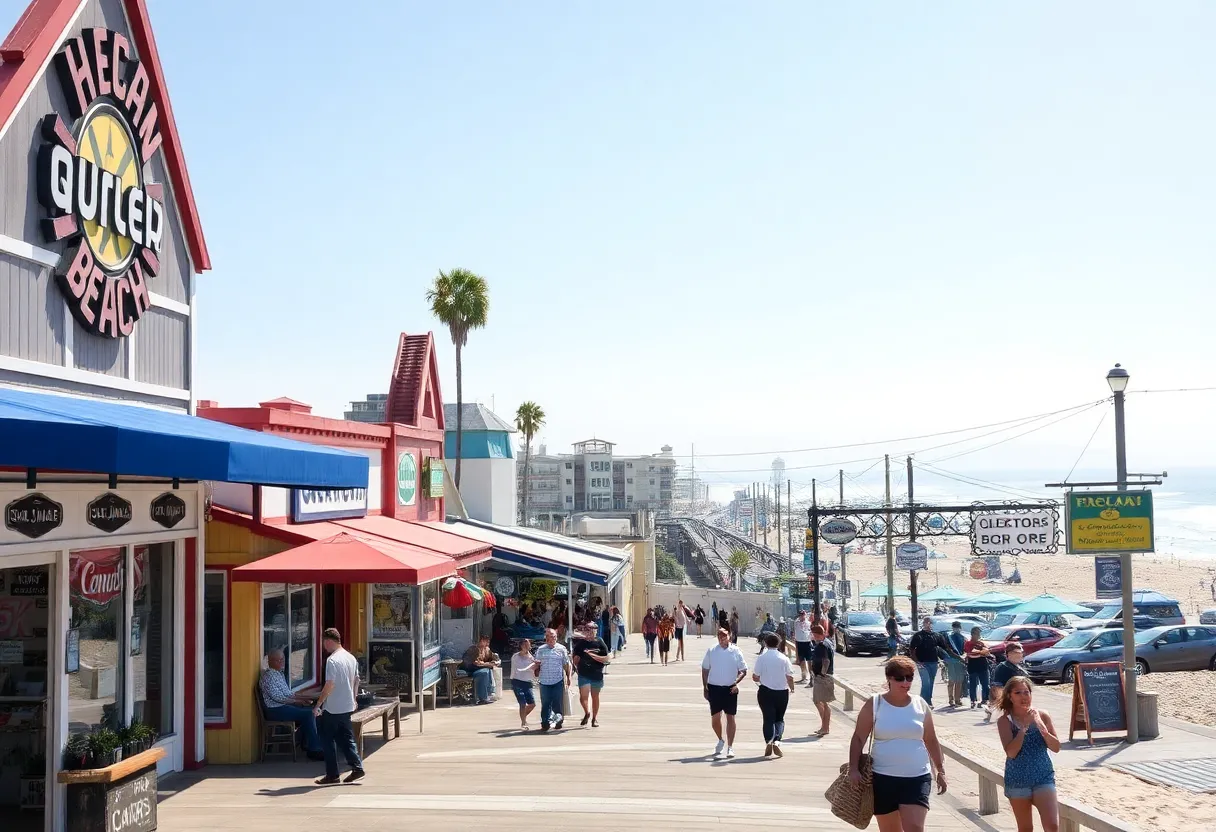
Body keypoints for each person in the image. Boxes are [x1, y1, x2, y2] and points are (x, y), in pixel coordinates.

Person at [849, 656, 948, 831]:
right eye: (900, 678)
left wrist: (941, 770)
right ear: (889, 678)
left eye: (909, 677)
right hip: (882, 777)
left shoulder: (920, 704)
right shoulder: (875, 703)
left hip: (917, 776)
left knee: (915, 827)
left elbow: (931, 739)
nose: (905, 682)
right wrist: (853, 769)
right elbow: (858, 738)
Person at [997, 677, 1060, 832]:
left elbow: (1056, 747)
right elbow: (1011, 752)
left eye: (1027, 692)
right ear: (1010, 696)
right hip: (1018, 778)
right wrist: (1023, 729)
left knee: (1052, 826)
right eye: (1018, 692)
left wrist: (1041, 726)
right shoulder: (1005, 721)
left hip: (1043, 776)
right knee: (1025, 828)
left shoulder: (1043, 715)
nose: (1024, 696)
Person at [312, 628, 364, 785]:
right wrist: (354, 699)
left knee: (327, 740)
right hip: (347, 705)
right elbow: (356, 680)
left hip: (332, 707)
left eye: (324, 643)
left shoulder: (332, 660)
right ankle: (356, 767)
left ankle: (332, 774)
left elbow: (330, 684)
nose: (324, 647)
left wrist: (318, 704)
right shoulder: (350, 658)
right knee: (347, 738)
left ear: (328, 641)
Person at [259, 648, 323, 760]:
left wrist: (305, 699)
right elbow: (278, 697)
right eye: (279, 660)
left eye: (283, 659)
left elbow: (288, 694)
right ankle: (314, 750)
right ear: (271, 662)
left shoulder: (279, 674)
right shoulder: (268, 677)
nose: (282, 662)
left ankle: (307, 744)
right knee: (308, 714)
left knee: (312, 710)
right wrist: (297, 701)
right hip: (274, 710)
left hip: (282, 706)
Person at [701, 627, 748, 759]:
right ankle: (720, 740)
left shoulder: (736, 651)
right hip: (714, 687)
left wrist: (736, 682)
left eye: (724, 636)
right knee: (715, 718)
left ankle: (730, 747)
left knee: (730, 717)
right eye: (720, 636)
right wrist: (705, 687)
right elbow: (705, 669)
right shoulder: (712, 651)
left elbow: (743, 670)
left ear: (729, 636)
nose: (722, 638)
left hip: (730, 688)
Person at [752, 632, 795, 757]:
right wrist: (792, 688)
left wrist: (758, 678)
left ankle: (768, 741)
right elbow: (790, 676)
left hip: (765, 691)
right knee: (779, 718)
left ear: (765, 643)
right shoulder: (784, 658)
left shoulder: (761, 658)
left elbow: (756, 676)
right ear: (779, 643)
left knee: (768, 718)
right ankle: (777, 740)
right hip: (782, 692)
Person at [907, 617, 957, 708]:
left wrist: (956, 657)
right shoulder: (918, 635)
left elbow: (946, 648)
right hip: (922, 663)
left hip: (933, 663)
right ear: (924, 623)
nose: (928, 624)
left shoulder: (937, 636)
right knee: (926, 682)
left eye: (930, 622)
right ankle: (924, 702)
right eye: (926, 622)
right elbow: (911, 649)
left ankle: (927, 701)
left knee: (931, 683)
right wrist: (917, 661)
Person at [573, 622, 610, 727]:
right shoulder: (580, 644)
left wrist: (594, 656)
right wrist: (576, 661)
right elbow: (574, 659)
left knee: (595, 697)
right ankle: (587, 712)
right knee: (583, 697)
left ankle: (594, 718)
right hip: (584, 673)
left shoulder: (600, 642)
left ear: (596, 631)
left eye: (593, 629)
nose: (590, 632)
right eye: (588, 629)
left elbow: (606, 658)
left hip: (596, 673)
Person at [534, 628, 571, 732]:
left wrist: (569, 677)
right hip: (544, 681)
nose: (552, 639)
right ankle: (545, 723)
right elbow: (537, 664)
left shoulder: (562, 649)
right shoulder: (541, 649)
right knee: (545, 703)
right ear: (546, 638)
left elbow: (566, 664)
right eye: (550, 636)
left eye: (554, 636)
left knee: (557, 702)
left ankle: (558, 721)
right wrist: (535, 671)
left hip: (557, 680)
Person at [991, 643, 1029, 724]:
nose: (1021, 655)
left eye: (1021, 652)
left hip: (1022, 704)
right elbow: (997, 687)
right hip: (1011, 705)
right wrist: (1004, 705)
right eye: (1018, 653)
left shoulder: (1019, 666)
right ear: (1009, 654)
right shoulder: (1002, 667)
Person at [810, 623, 835, 736]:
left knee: (823, 702)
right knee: (818, 701)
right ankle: (824, 725)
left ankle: (825, 727)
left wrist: (822, 673)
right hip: (824, 676)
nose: (813, 637)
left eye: (814, 634)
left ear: (817, 634)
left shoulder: (822, 646)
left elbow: (826, 661)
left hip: (823, 678)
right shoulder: (827, 642)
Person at [510, 638, 540, 730]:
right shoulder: (515, 656)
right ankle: (523, 723)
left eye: (528, 645)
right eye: (525, 645)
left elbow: (535, 670)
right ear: (521, 646)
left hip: (527, 682)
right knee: (522, 703)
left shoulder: (532, 658)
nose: (527, 647)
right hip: (517, 681)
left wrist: (536, 665)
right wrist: (531, 666)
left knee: (532, 704)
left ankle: (523, 716)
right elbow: (519, 668)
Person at [461, 635, 499, 705]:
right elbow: (476, 664)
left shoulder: (487, 649)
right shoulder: (474, 649)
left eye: (488, 642)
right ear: (481, 641)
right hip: (471, 670)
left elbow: (494, 658)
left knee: (488, 670)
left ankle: (489, 693)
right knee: (483, 673)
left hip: (481, 667)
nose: (487, 643)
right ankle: (482, 698)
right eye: (485, 641)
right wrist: (488, 664)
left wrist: (494, 662)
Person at [965, 626, 993, 715]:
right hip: (973, 666)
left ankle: (985, 700)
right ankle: (973, 700)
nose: (978, 635)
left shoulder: (981, 643)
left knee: (985, 684)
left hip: (983, 666)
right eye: (977, 633)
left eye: (979, 634)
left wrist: (981, 652)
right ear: (972, 634)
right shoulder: (968, 643)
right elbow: (970, 653)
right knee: (973, 684)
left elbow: (987, 652)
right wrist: (981, 653)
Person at [945, 622, 967, 708]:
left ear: (960, 628)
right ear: (952, 628)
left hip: (960, 661)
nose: (956, 629)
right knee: (952, 681)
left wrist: (964, 657)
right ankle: (951, 700)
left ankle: (957, 699)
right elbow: (948, 650)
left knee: (959, 681)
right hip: (952, 661)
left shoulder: (963, 638)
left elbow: (965, 649)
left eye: (957, 627)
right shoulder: (949, 638)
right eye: (955, 627)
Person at [793, 610, 814, 682]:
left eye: (803, 615)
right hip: (799, 642)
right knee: (802, 660)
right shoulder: (796, 623)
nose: (802, 616)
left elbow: (811, 633)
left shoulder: (809, 623)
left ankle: (811, 677)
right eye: (800, 615)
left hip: (807, 642)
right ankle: (804, 677)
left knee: (809, 660)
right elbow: (795, 632)